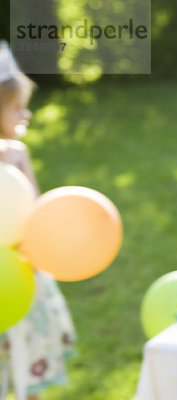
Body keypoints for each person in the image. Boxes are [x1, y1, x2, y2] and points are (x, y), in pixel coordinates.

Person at [0, 41, 76, 400]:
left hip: (22, 278)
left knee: (30, 362)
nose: (25, 116)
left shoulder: (15, 155)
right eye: (17, 108)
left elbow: (34, 208)